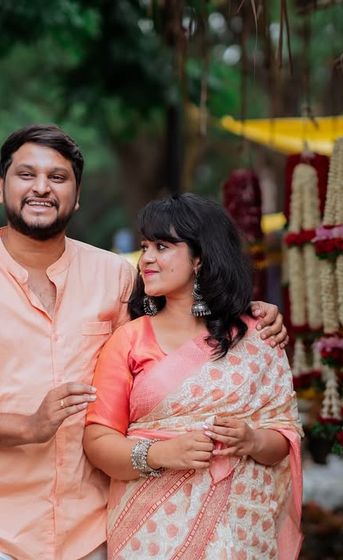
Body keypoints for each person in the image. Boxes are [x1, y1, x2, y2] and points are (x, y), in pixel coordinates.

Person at [0, 124, 289, 560]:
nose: (42, 188)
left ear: (76, 196)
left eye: (57, 178)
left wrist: (252, 313)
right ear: (2, 186)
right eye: (26, 174)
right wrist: (27, 426)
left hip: (93, 529)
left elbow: (178, 345)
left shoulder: (114, 275)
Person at [83, 194, 303, 560]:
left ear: (200, 258)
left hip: (239, 534)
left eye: (163, 247)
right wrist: (162, 453)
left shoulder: (256, 335)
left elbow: (285, 436)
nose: (147, 259)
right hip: (149, 533)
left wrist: (251, 440)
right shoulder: (129, 339)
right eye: (145, 247)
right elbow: (98, 442)